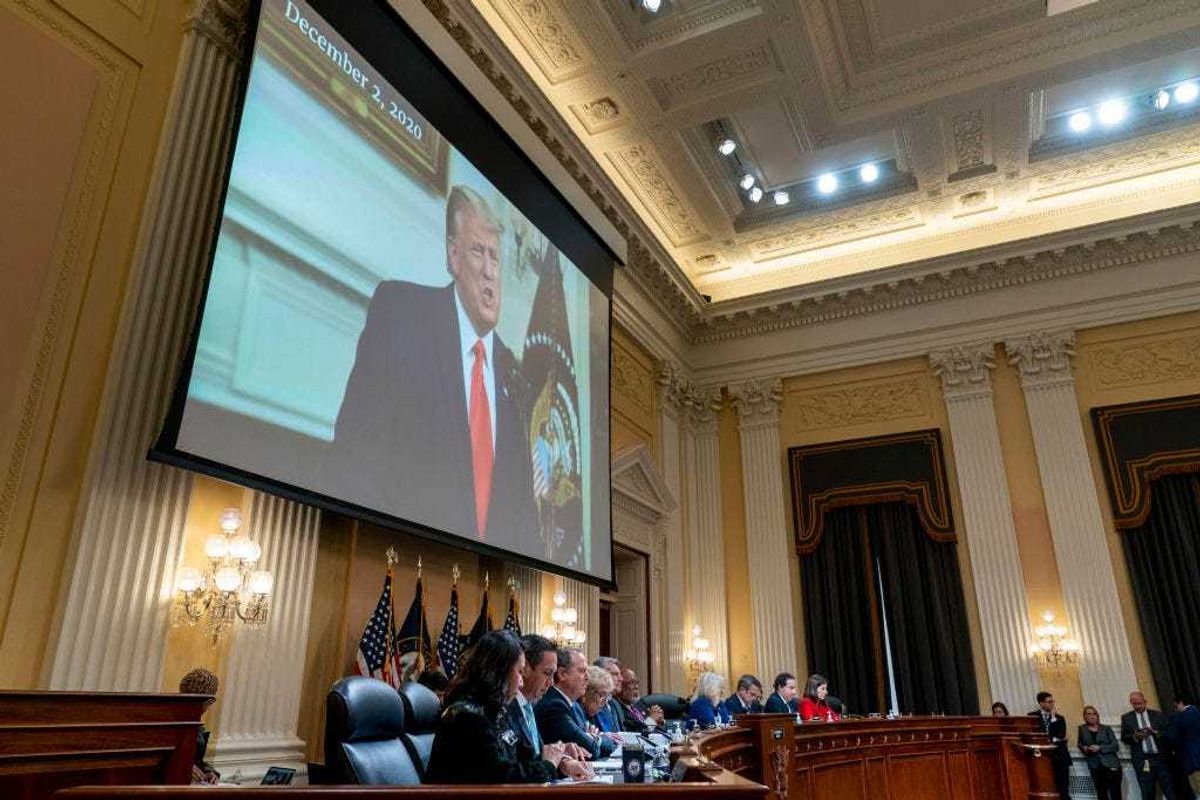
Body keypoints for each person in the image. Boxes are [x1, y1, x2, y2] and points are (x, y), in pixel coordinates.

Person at [334, 185, 537, 552]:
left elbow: (524, 511)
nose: (490, 272)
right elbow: (356, 449)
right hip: (396, 561)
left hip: (490, 586)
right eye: (478, 252)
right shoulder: (402, 313)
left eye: (496, 258)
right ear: (453, 255)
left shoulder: (512, 370)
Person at [426, 630, 591, 783]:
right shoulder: (468, 715)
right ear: (499, 671)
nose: (521, 682)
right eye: (519, 671)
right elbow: (500, 774)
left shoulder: (493, 711)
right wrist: (548, 765)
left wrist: (559, 763)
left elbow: (521, 758)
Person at [535, 647, 616, 758]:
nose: (588, 677)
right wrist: (592, 738)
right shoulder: (554, 706)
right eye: (582, 671)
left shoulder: (575, 706)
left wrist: (594, 738)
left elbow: (608, 746)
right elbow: (590, 750)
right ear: (562, 674)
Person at [1121, 690, 1175, 800]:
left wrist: (1156, 733)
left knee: (1169, 789)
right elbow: (1124, 738)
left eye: (1139, 703)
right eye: (1134, 703)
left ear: (1145, 702)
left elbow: (1169, 733)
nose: (1137, 706)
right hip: (1142, 760)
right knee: (1147, 791)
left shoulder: (1158, 715)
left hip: (1160, 758)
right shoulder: (1127, 718)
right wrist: (1135, 736)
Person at [179, 667, 220, 785]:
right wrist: (184, 766)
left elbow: (197, 761)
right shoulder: (167, 723)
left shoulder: (198, 728)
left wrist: (210, 772)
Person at [1030, 691, 1071, 799]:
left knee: (1063, 787)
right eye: (1049, 701)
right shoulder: (1032, 716)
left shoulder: (1059, 718)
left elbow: (1060, 735)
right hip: (1041, 757)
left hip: (1060, 756)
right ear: (1041, 703)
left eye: (1053, 701)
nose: (1052, 703)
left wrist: (1053, 718)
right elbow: (1034, 735)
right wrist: (1053, 739)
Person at [1077, 705, 1121, 800]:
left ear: (1097, 716)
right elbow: (1080, 743)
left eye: (1094, 714)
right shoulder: (1082, 729)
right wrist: (1084, 748)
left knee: (1115, 794)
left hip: (1110, 764)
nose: (1092, 716)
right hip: (1095, 765)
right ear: (1084, 716)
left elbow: (1115, 746)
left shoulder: (1106, 728)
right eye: (1089, 714)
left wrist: (1100, 748)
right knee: (1101, 794)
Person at [615, 667, 664, 732]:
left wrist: (659, 722)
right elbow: (634, 735)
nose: (636, 687)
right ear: (620, 686)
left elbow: (656, 731)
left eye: (636, 682)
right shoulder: (618, 710)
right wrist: (652, 721)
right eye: (632, 682)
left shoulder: (640, 707)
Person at [1170, 694, 1200, 796]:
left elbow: (1174, 736)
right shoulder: (1196, 711)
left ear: (1181, 703)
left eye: (1175, 707)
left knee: (1197, 788)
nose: (1176, 710)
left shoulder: (1186, 715)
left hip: (1193, 759)